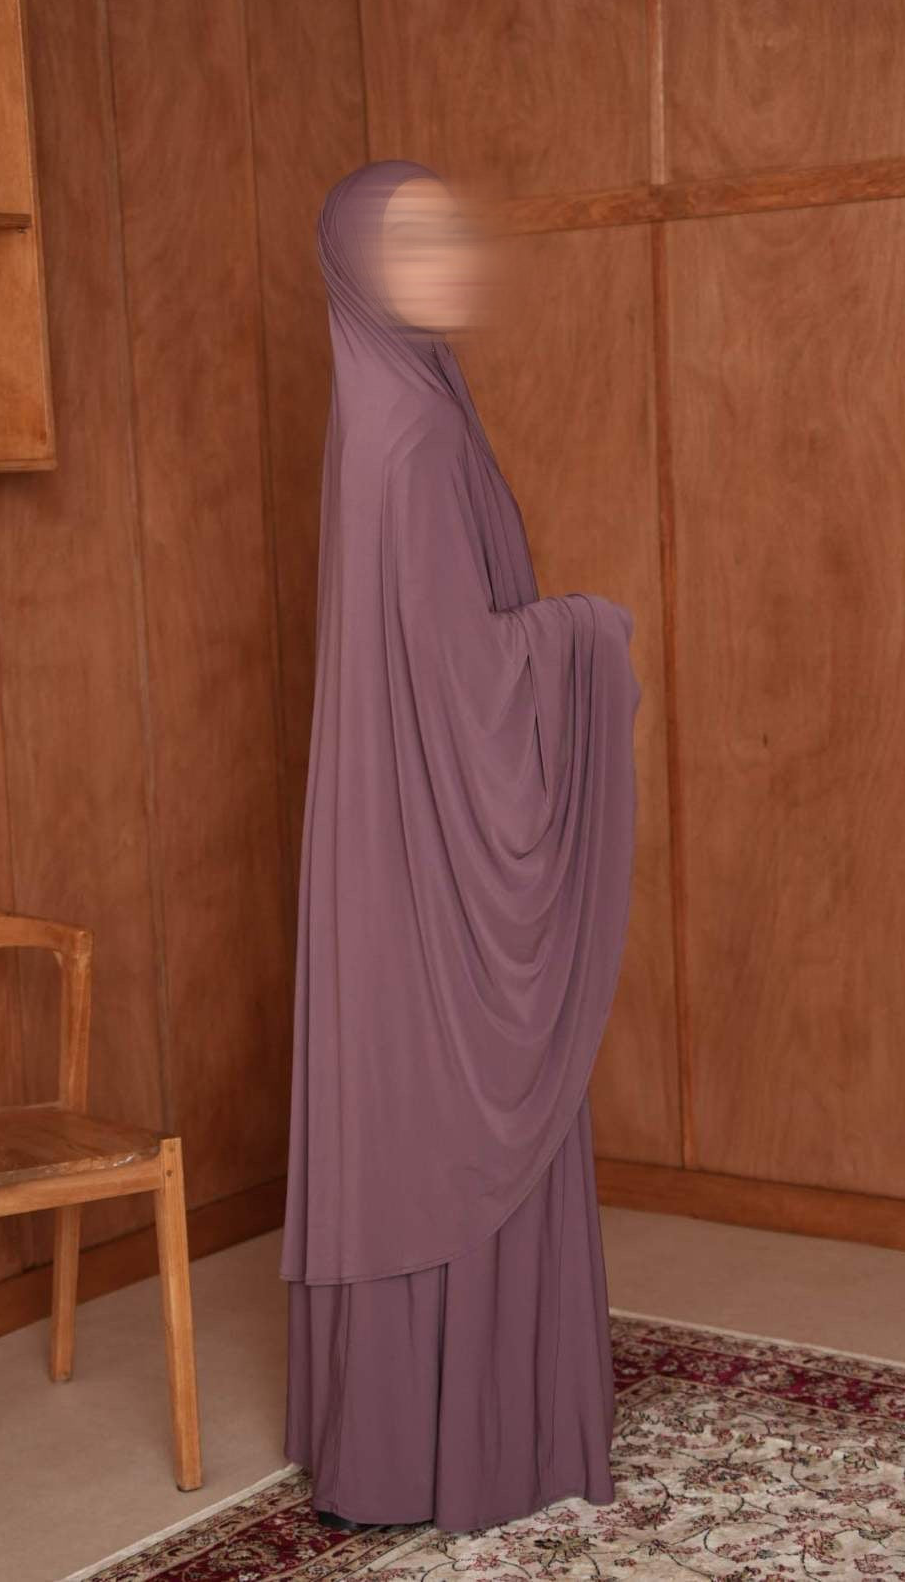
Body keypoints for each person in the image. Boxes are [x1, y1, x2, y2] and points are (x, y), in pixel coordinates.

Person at [281, 159, 640, 1534]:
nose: (446, 259)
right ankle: (470, 1439)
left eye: (448, 233)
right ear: (356, 267)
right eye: (410, 240)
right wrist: (588, 632)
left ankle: (402, 1432)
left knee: (413, 1087)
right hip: (426, 833)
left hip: (389, 824)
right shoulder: (413, 430)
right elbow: (459, 672)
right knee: (467, 1086)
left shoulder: (387, 396)